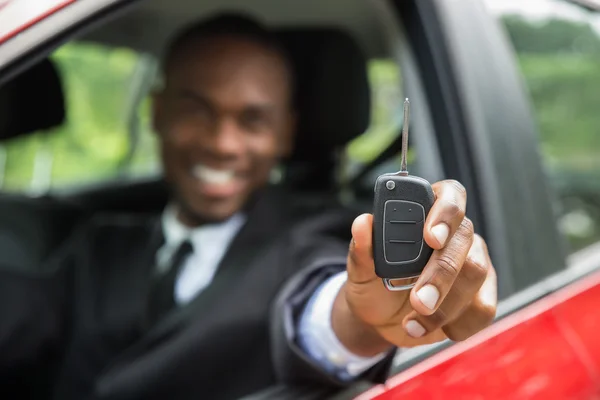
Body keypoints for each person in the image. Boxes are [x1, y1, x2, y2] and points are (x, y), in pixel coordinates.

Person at [0, 13, 497, 400]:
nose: (223, 143)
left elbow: (326, 302)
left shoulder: (315, 235)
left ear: (285, 132)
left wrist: (364, 322)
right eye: (197, 110)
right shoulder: (99, 241)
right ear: (156, 113)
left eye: (253, 120)